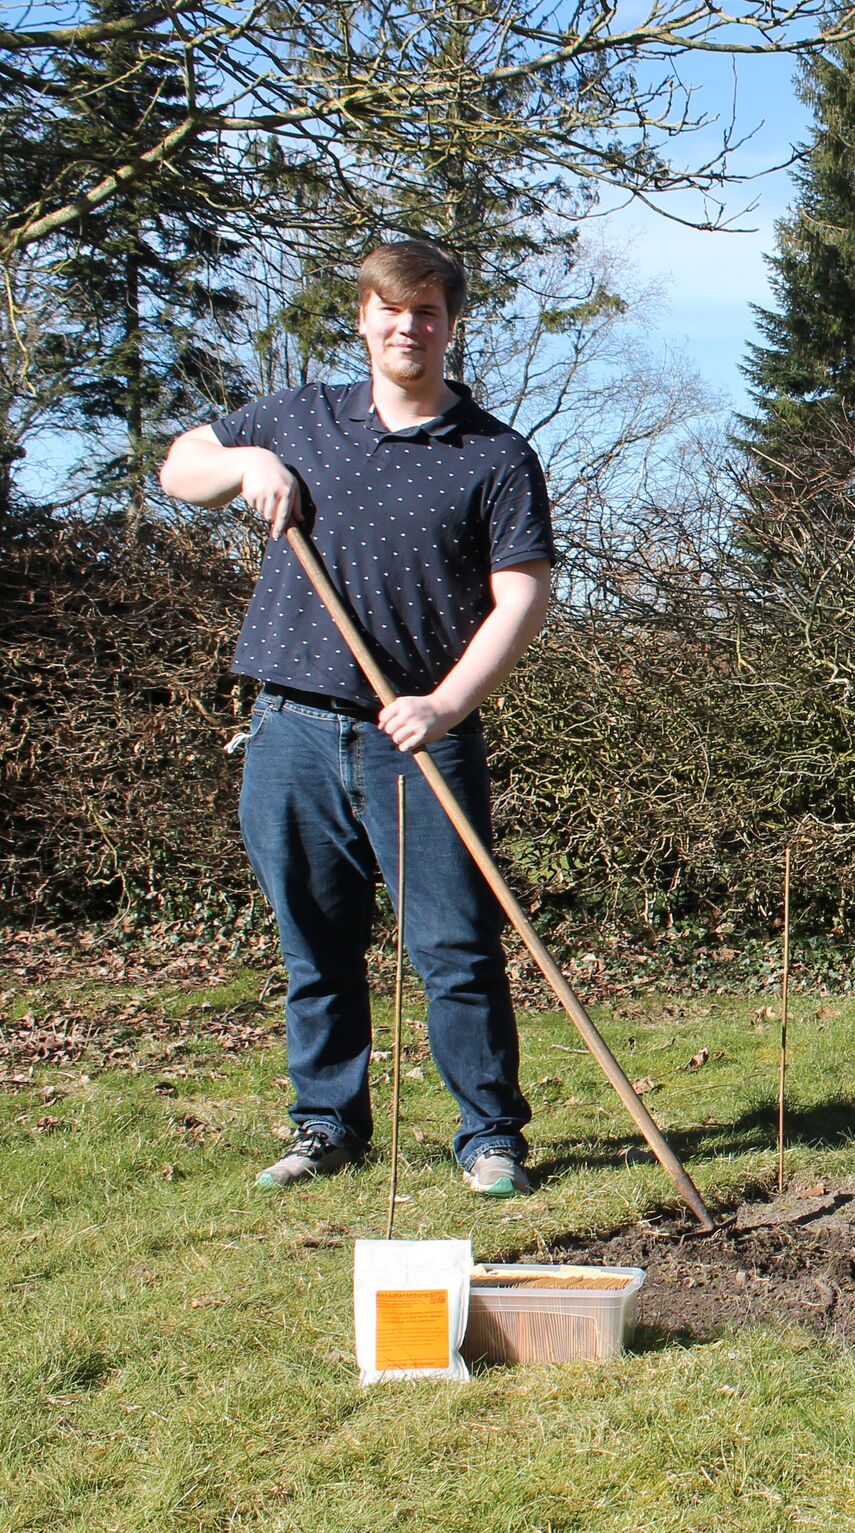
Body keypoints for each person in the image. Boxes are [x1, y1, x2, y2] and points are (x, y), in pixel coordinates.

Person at [160, 241, 554, 1198]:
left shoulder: (494, 455)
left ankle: (489, 1133)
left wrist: (446, 702)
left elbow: (524, 596)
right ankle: (326, 1125)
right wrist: (247, 463)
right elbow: (182, 466)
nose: (406, 327)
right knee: (315, 940)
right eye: (389, 310)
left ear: (451, 325)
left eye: (425, 311)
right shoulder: (301, 417)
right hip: (289, 726)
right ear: (364, 320)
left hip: (417, 735)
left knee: (453, 943)